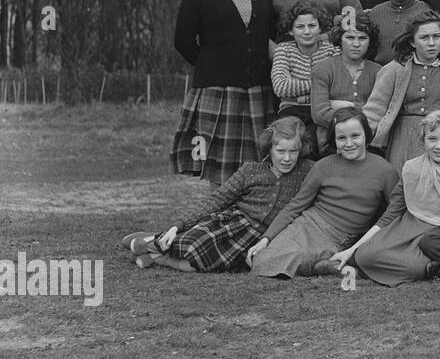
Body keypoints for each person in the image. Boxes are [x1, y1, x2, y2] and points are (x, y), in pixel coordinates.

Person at [124, 117, 315, 273]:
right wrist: (177, 225)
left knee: (197, 264)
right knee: (193, 245)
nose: (287, 158)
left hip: (262, 237)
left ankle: (155, 256)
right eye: (281, 151)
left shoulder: (308, 171)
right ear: (269, 149)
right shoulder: (251, 170)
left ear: (302, 149)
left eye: (293, 151)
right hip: (232, 225)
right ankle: (155, 240)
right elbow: (217, 199)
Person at [171, 0, 277, 185]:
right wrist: (212, 65)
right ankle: (219, 215)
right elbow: (182, 41)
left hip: (258, 90)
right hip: (217, 91)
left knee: (257, 163)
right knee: (220, 168)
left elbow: (267, 35)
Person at [332, 109, 440, 287]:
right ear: (423, 140)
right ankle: (420, 267)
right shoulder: (412, 167)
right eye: (432, 139)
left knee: (415, 267)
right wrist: (352, 249)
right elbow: (393, 211)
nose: (438, 146)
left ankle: (435, 268)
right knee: (364, 255)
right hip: (410, 224)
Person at [246, 107, 398, 279]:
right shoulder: (324, 166)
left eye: (355, 136)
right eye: (341, 138)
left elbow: (395, 209)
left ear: (366, 136)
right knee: (262, 258)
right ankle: (320, 266)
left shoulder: (385, 170)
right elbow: (295, 206)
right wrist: (266, 239)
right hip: (307, 223)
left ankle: (320, 264)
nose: (349, 143)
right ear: (334, 140)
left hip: (339, 236)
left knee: (297, 257)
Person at [364, 13, 440, 168]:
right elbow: (375, 109)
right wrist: (362, 138)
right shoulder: (395, 69)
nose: (432, 43)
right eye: (424, 38)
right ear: (413, 41)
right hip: (404, 137)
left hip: (439, 135)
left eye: (436, 36)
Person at [310, 11, 382, 150]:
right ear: (340, 39)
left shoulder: (378, 71)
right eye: (349, 37)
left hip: (368, 141)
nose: (356, 44)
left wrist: (341, 105)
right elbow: (320, 114)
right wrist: (360, 110)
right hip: (331, 141)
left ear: (370, 41)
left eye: (362, 38)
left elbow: (380, 112)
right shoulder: (323, 69)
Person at [271, 0, 338, 149]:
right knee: (288, 142)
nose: (307, 31)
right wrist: (320, 85)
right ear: (290, 30)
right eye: (300, 27)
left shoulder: (331, 50)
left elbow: (337, 85)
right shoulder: (284, 50)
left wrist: (299, 92)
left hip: (323, 108)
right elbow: (281, 87)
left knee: (321, 144)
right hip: (291, 110)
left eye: (312, 25)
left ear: (320, 28)